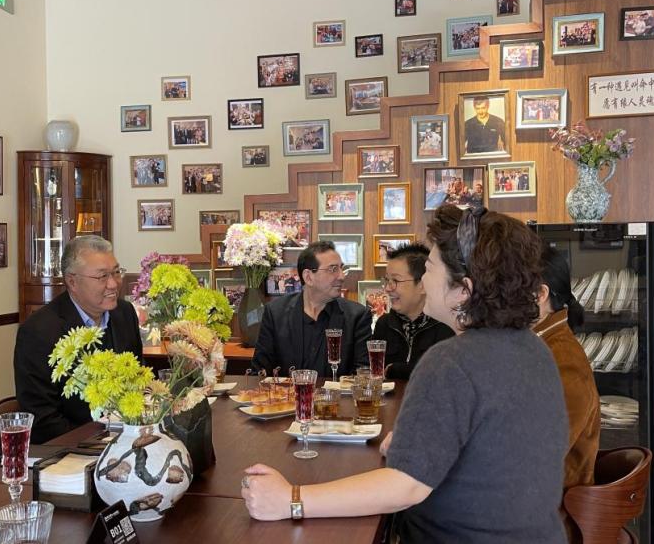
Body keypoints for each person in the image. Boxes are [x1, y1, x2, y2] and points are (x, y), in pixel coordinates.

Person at [242, 206, 568, 543]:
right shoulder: (534, 348)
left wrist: (291, 498)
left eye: (429, 269)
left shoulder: (450, 361)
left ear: (464, 290)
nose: (423, 281)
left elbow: (405, 485)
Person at [14, 235, 142, 444]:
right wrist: (99, 442)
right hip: (73, 448)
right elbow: (43, 419)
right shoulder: (39, 331)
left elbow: (137, 378)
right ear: (72, 281)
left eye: (116, 272)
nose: (113, 284)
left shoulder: (124, 313)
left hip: (127, 438)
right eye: (102, 276)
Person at [534, 244, 600, 543]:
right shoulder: (540, 345)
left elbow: (539, 455)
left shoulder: (562, 360)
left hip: (555, 517)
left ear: (540, 295)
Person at [252, 241, 370, 377]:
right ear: (308, 277)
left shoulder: (357, 316)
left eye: (341, 269)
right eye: (333, 269)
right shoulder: (275, 313)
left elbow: (363, 374)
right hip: (288, 391)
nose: (341, 276)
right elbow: (260, 372)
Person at [371, 243, 454, 380]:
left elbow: (440, 374)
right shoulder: (384, 324)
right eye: (387, 280)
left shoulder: (445, 326)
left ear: (422, 285)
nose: (388, 288)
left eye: (395, 280)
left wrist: (394, 369)